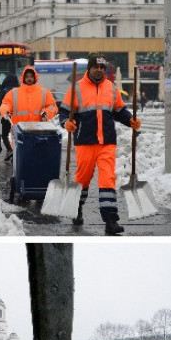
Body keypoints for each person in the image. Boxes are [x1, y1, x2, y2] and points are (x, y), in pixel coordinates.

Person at [58, 53, 142, 233]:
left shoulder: (111, 88)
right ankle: (77, 209)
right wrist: (67, 122)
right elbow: (64, 112)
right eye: (96, 66)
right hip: (85, 141)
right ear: (89, 68)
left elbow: (120, 111)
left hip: (107, 142)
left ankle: (111, 219)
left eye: (102, 67)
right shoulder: (77, 88)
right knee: (83, 179)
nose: (99, 70)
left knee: (107, 179)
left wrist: (130, 120)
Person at [0, 66, 58, 162]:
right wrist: (5, 111)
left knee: (36, 160)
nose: (29, 78)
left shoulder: (44, 92)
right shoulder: (14, 93)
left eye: (31, 76)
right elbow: (6, 104)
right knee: (20, 161)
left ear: (35, 78)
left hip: (38, 133)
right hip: (20, 133)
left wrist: (47, 113)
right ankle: (17, 176)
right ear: (23, 78)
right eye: (27, 76)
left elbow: (53, 106)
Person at [0, 74, 21, 161]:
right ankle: (17, 152)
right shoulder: (19, 91)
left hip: (7, 116)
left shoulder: (4, 91)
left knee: (4, 134)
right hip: (18, 117)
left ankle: (9, 150)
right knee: (17, 136)